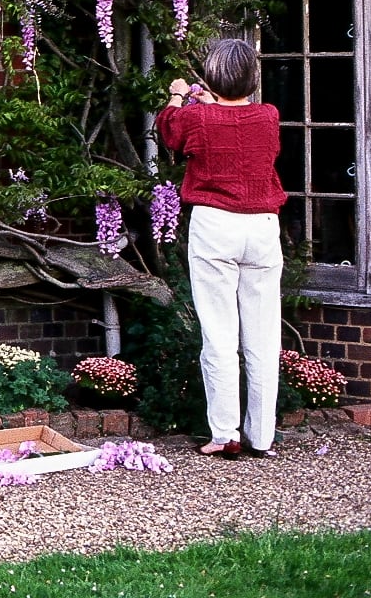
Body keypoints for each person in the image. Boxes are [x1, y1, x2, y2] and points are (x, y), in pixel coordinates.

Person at [156, 37, 287, 459]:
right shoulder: (268, 116)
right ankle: (262, 437)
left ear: (211, 77)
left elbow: (169, 130)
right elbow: (237, 123)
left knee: (219, 333)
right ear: (252, 78)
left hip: (215, 224)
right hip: (263, 226)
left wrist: (178, 95)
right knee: (263, 336)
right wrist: (210, 101)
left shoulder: (195, 118)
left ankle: (225, 432)